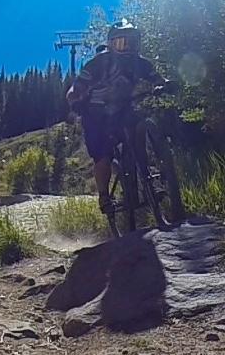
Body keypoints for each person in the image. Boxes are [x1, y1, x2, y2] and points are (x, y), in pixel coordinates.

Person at [66, 20, 173, 213]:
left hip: (122, 109)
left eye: (132, 42)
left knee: (139, 129)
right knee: (103, 156)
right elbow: (77, 85)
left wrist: (163, 84)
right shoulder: (99, 63)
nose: (127, 48)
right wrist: (75, 100)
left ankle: (149, 181)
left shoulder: (140, 63)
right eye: (122, 43)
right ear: (111, 44)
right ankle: (104, 197)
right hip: (95, 115)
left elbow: (155, 76)